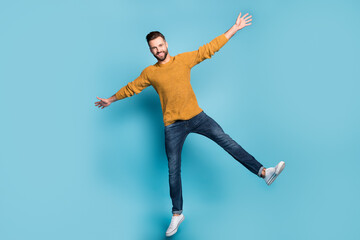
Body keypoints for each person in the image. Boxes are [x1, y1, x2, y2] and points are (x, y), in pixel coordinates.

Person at [94, 12, 285, 237]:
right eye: (153, 48)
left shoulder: (183, 60)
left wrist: (234, 28)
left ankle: (264, 172)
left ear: (166, 44)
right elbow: (131, 87)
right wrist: (111, 99)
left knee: (228, 143)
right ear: (150, 51)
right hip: (172, 126)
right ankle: (177, 214)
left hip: (197, 117)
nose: (158, 50)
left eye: (160, 45)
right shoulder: (150, 73)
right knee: (173, 171)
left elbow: (209, 49)